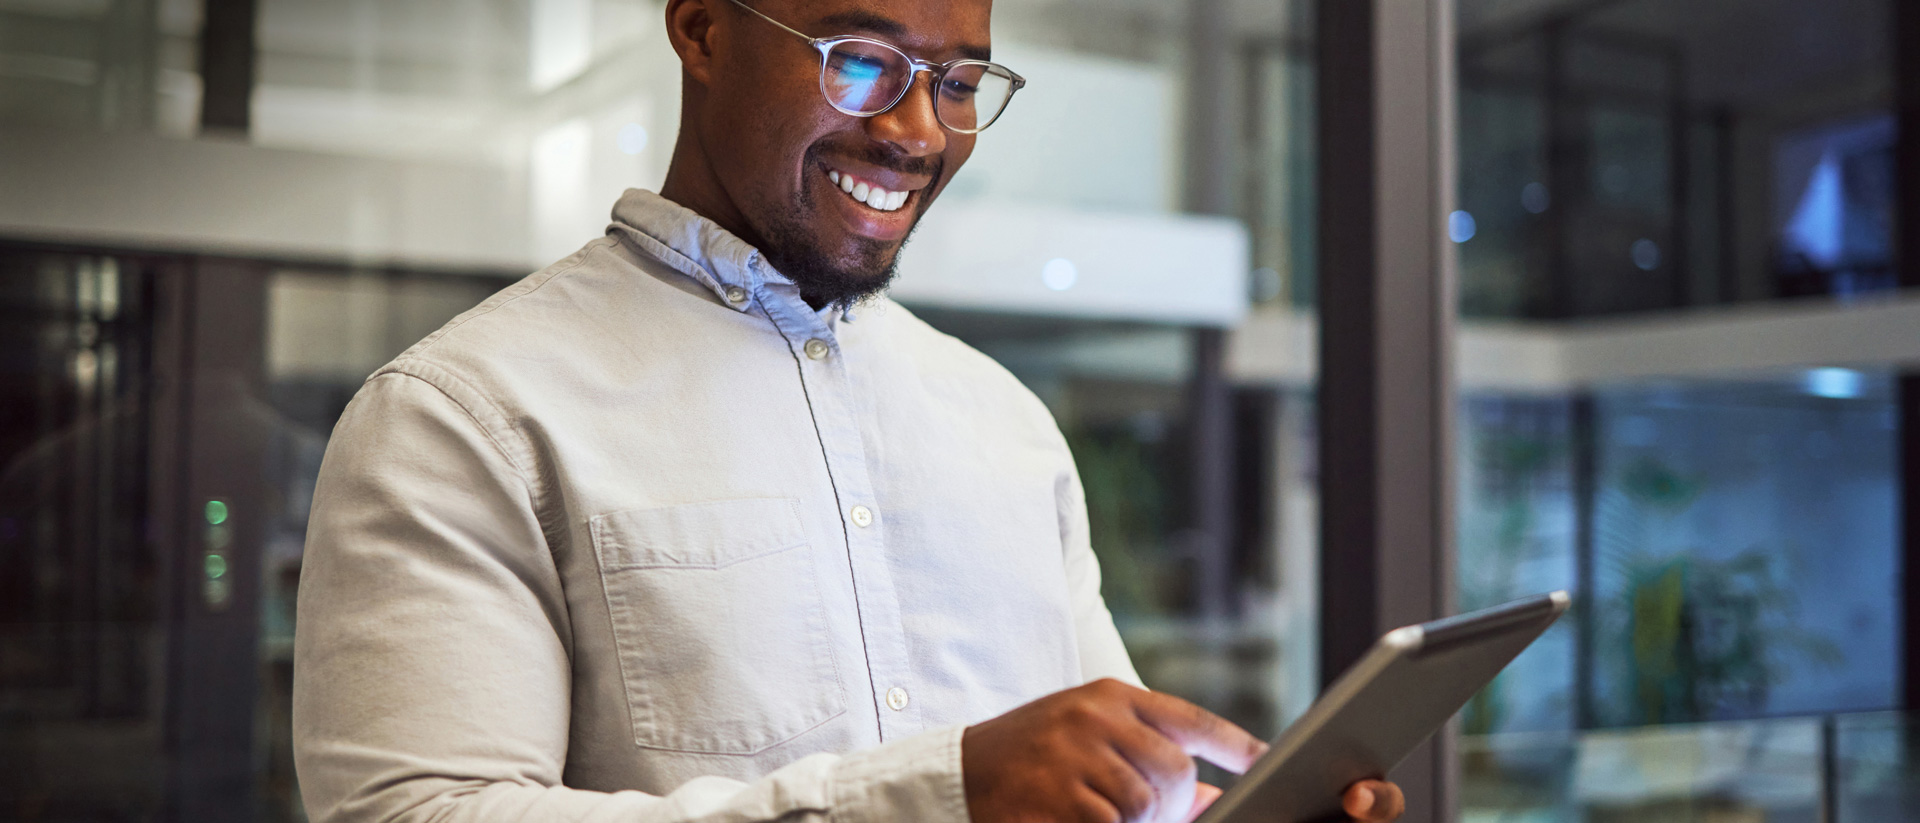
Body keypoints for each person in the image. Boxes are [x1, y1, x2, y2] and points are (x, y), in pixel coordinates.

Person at [290, 1, 1408, 821]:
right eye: (861, 63)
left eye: (961, 83)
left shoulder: (1003, 422)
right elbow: (413, 814)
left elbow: (1101, 790)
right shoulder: (464, 415)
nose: (919, 133)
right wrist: (937, 795)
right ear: (701, 31)